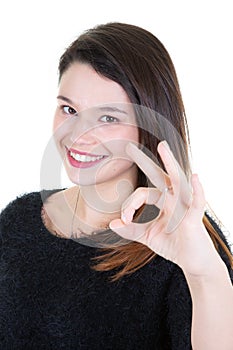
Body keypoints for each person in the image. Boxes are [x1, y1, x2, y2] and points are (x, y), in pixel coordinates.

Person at [0, 22, 232, 350]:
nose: (78, 134)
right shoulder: (17, 221)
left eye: (108, 118)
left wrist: (204, 272)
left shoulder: (187, 244)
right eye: (69, 109)